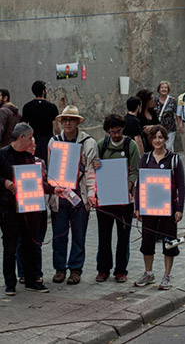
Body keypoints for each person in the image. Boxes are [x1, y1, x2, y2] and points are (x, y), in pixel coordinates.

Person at [49, 105, 98, 286]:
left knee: (79, 234)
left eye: (71, 119)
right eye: (64, 119)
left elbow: (92, 171)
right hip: (60, 194)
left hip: (79, 193)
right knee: (59, 234)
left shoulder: (88, 142)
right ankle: (59, 268)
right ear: (61, 122)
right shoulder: (54, 142)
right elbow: (50, 170)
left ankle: (75, 269)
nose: (67, 122)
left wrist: (92, 195)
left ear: (78, 122)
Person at [133, 124, 185, 291]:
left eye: (160, 137)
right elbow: (139, 184)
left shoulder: (174, 159)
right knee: (147, 241)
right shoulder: (145, 159)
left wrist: (179, 208)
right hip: (149, 208)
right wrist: (137, 206)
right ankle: (148, 273)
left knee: (169, 242)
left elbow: (181, 186)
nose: (157, 140)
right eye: (154, 138)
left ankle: (167, 275)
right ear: (151, 140)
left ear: (165, 139)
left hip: (168, 209)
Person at [0, 123, 51, 294]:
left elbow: (36, 181)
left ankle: (32, 280)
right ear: (21, 137)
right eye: (30, 138)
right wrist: (5, 183)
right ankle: (10, 284)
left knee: (31, 245)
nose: (32, 142)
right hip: (8, 209)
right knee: (10, 247)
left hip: (29, 208)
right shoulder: (3, 155)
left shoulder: (28, 157)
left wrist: (52, 189)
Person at [95, 114, 139, 283]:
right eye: (112, 132)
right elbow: (95, 166)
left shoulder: (131, 145)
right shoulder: (101, 145)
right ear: (107, 131)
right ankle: (103, 269)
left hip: (124, 200)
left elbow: (135, 170)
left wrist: (127, 188)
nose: (115, 135)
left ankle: (121, 270)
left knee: (123, 236)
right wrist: (96, 164)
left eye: (118, 131)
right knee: (103, 236)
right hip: (105, 199)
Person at [21, 80, 58, 160]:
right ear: (43, 91)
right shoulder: (51, 107)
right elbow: (56, 128)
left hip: (34, 141)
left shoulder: (27, 106)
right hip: (48, 140)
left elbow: (23, 126)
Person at [152, 81, 178, 152]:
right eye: (162, 87)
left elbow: (177, 113)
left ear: (168, 89)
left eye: (166, 88)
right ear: (159, 89)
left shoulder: (172, 101)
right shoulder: (154, 100)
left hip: (170, 128)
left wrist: (180, 124)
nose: (164, 89)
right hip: (157, 128)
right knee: (158, 146)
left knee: (168, 147)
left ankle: (169, 161)